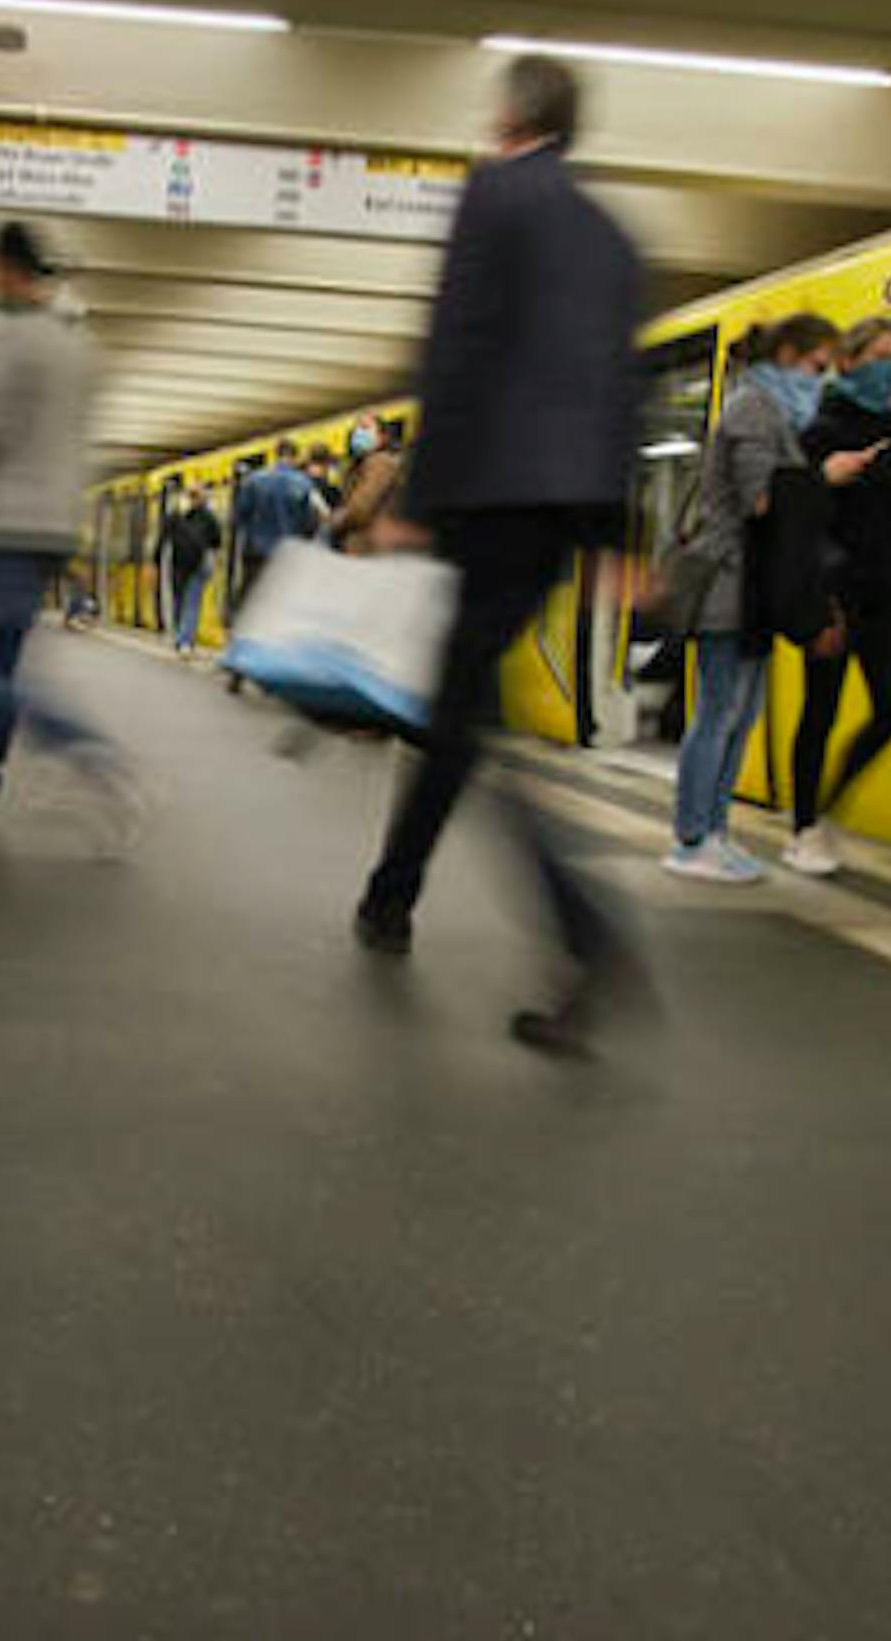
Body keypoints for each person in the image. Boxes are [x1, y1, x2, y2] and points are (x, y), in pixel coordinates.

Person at [351, 53, 645, 1051]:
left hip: (486, 499)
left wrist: (413, 500)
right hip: (557, 513)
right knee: (457, 709)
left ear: (507, 116)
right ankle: (389, 894)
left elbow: (458, 345)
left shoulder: (492, 195)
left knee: (469, 717)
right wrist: (608, 537)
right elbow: (618, 392)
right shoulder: (612, 236)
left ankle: (584, 934)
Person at [0, 222, 136, 841]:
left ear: (8, 269)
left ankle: (90, 752)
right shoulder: (83, 347)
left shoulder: (12, 337)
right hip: (55, 528)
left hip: (10, 527)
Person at [664, 313, 850, 885]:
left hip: (757, 586)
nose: (819, 380)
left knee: (741, 716)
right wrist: (824, 478)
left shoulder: (773, 412)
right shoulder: (752, 408)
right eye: (817, 366)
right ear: (788, 355)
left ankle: (715, 830)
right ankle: (692, 838)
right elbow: (760, 500)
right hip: (729, 583)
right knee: (719, 712)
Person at [783, 318, 891, 876]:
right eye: (878, 357)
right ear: (847, 362)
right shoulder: (817, 432)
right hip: (832, 594)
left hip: (883, 593)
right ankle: (803, 828)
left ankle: (827, 805)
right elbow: (797, 519)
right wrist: (826, 478)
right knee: (820, 710)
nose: (887, 370)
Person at [226, 439, 319, 692]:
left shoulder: (254, 481)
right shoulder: (303, 484)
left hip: (255, 554)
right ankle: (270, 676)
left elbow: (237, 518)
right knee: (278, 614)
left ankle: (237, 671)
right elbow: (310, 524)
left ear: (275, 455)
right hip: (287, 558)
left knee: (249, 609)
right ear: (294, 457)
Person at [160, 486, 222, 658]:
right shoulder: (208, 516)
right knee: (191, 604)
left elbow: (163, 538)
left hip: (179, 564)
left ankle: (181, 638)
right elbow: (217, 541)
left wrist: (156, 562)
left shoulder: (175, 515)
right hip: (198, 564)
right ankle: (185, 641)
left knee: (180, 601)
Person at [330, 413, 403, 555]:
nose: (358, 433)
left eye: (364, 428)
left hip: (366, 544)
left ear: (382, 436)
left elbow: (361, 507)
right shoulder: (365, 463)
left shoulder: (380, 463)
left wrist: (339, 518)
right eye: (356, 429)